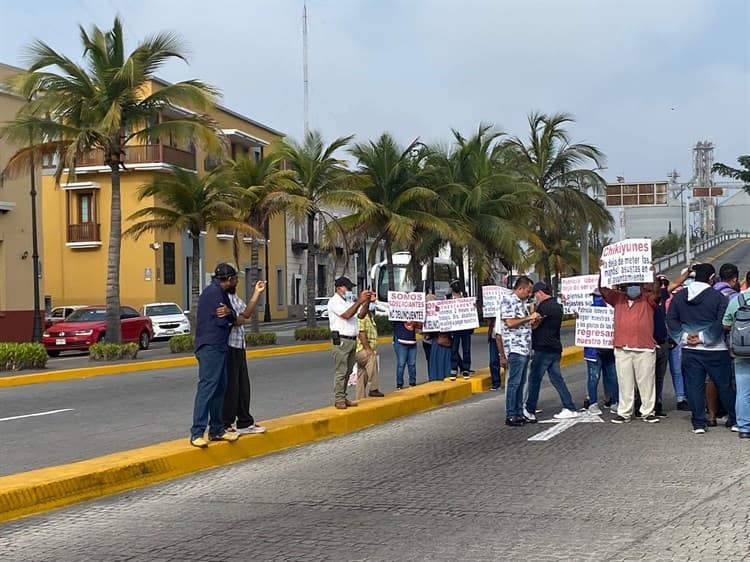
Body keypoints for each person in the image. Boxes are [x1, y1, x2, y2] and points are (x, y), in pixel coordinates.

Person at [666, 263, 736, 434]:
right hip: (716, 350)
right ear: (711, 279)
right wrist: (704, 338)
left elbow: (671, 319)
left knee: (694, 387)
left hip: (690, 349)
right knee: (724, 386)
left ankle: (698, 423)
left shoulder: (680, 296)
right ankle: (734, 419)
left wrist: (684, 337)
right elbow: (722, 321)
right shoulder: (718, 297)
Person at [189, 262, 241, 448]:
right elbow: (226, 319)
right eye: (235, 279)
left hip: (220, 347)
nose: (236, 282)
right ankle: (197, 432)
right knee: (208, 388)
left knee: (220, 388)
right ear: (228, 279)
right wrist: (229, 315)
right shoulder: (213, 294)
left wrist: (229, 313)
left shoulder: (222, 293)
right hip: (210, 347)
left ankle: (217, 429)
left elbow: (232, 316)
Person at [599, 272, 660, 424]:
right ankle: (625, 412)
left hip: (644, 346)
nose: (633, 288)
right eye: (630, 285)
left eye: (636, 285)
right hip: (622, 346)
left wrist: (651, 273)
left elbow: (657, 292)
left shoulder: (648, 298)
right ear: (624, 287)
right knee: (624, 382)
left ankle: (647, 411)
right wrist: (603, 271)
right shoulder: (617, 298)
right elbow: (603, 289)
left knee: (646, 382)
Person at [524, 281, 578, 420]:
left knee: (535, 378)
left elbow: (533, 325)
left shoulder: (544, 307)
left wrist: (532, 311)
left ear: (540, 293)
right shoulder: (557, 305)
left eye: (535, 294)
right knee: (556, 378)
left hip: (544, 348)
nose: (535, 297)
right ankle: (569, 406)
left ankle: (529, 409)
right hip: (555, 347)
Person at [222, 277, 267, 436]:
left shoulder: (234, 297)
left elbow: (245, 314)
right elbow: (236, 321)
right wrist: (237, 317)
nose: (236, 283)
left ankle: (244, 421)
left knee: (243, 386)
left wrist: (257, 293)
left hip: (239, 345)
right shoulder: (221, 298)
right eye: (234, 280)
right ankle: (225, 424)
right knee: (231, 387)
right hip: (228, 346)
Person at [500, 276, 540, 427]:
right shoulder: (508, 300)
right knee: (514, 382)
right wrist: (528, 317)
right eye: (528, 291)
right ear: (520, 288)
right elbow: (509, 322)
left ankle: (518, 412)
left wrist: (533, 320)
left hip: (525, 347)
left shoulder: (523, 304)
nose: (529, 294)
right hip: (515, 347)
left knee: (521, 382)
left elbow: (525, 325)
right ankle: (511, 414)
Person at [328, 276, 371, 409]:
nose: (349, 290)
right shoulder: (334, 301)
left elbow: (361, 315)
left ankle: (344, 396)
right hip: (341, 339)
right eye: (348, 287)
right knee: (341, 370)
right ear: (339, 288)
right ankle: (339, 398)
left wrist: (366, 302)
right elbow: (346, 315)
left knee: (347, 371)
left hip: (352, 339)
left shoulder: (348, 301)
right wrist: (359, 301)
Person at [722, 269, 750, 439]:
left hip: (741, 352)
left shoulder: (737, 300)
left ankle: (744, 427)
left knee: (743, 391)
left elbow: (725, 324)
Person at [583, 289, 619, 414]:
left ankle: (615, 402)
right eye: (594, 296)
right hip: (593, 352)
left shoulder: (612, 311)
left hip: (609, 351)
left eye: (598, 296)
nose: (596, 299)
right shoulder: (586, 311)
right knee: (594, 378)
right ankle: (592, 403)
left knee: (613, 378)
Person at [355, 292, 384, 399]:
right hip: (361, 349)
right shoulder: (361, 314)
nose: (373, 303)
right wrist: (368, 349)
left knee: (362, 374)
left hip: (366, 349)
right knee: (371, 358)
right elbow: (361, 332)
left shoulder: (369, 315)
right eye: (371, 301)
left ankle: (360, 398)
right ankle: (374, 388)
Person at [448, 278, 472, 380]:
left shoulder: (465, 296)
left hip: (465, 327)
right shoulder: (448, 298)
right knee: (454, 348)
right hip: (454, 327)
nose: (456, 286)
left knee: (466, 348)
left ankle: (466, 369)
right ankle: (454, 369)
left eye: (457, 284)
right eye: (454, 285)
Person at [425, 294, 452, 381]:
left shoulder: (440, 311)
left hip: (440, 342)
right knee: (435, 362)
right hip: (435, 342)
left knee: (439, 362)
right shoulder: (426, 314)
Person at [393, 320, 419, 388]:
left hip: (412, 342)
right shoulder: (397, 317)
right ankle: (399, 384)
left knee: (412, 364)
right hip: (400, 342)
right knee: (401, 364)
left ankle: (412, 383)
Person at [487, 316, 505, 390]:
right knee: (493, 360)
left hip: (505, 336)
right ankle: (496, 383)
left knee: (508, 359)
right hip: (494, 337)